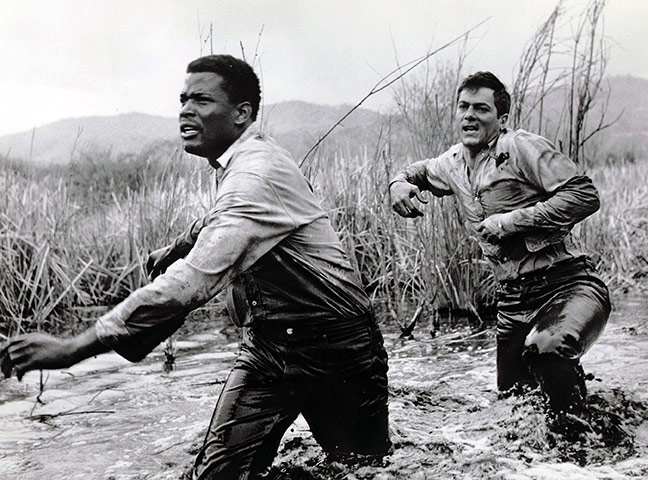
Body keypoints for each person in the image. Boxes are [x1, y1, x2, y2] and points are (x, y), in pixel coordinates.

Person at [1, 54, 391, 479]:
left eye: (202, 100)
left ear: (241, 114)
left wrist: (73, 348)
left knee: (362, 471)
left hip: (338, 348)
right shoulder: (243, 161)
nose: (185, 110)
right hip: (268, 345)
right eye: (183, 99)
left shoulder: (255, 175)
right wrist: (179, 244)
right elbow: (221, 219)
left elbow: (188, 285)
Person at [390, 71, 610, 416]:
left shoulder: (522, 147)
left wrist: (510, 222)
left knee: (548, 350)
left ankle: (588, 449)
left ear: (502, 118)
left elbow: (584, 195)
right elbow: (420, 170)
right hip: (512, 301)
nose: (469, 116)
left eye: (481, 109)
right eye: (463, 107)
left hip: (569, 285)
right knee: (515, 407)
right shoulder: (451, 164)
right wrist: (398, 183)